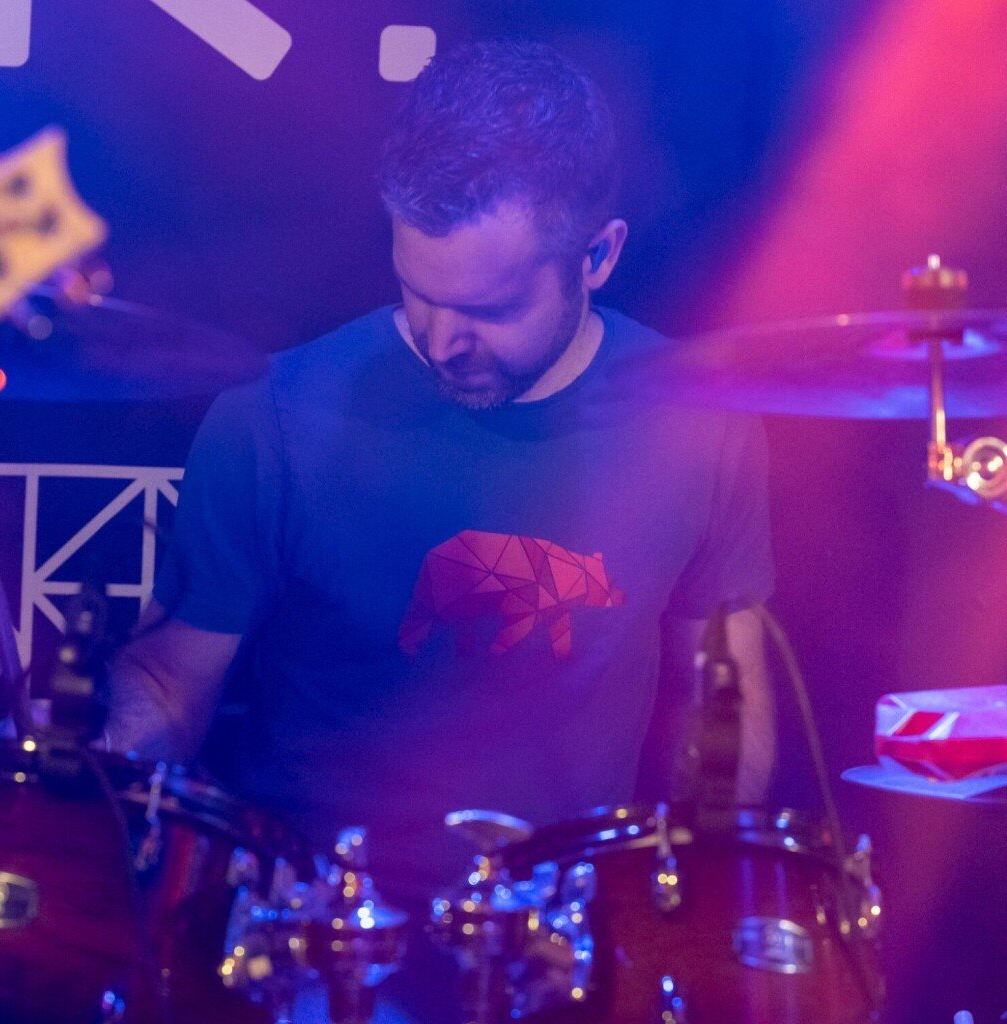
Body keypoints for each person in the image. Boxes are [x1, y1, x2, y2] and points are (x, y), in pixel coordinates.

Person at [109, 38, 775, 1022]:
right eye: (417, 292)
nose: (440, 341)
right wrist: (82, 761)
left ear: (597, 256)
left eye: (488, 309)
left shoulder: (701, 424)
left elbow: (726, 709)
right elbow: (173, 684)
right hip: (316, 942)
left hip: (567, 946)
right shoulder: (275, 413)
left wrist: (687, 907)